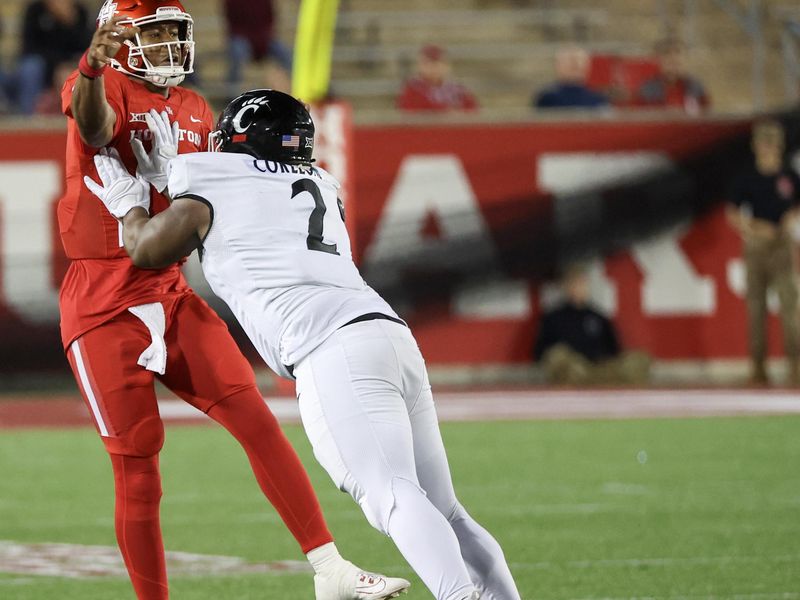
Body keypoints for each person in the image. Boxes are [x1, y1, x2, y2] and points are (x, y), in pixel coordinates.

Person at [84, 89, 522, 600]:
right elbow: (254, 214)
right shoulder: (322, 182)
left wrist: (131, 206)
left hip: (330, 347)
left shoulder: (210, 179)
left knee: (388, 495)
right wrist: (173, 176)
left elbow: (146, 249)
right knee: (445, 507)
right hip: (389, 335)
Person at [58, 2, 408, 599]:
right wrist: (91, 69)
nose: (169, 44)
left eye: (175, 32)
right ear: (117, 41)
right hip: (102, 303)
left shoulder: (195, 107)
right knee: (138, 466)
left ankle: (331, 569)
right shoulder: (98, 83)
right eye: (155, 33)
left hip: (169, 291)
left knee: (256, 419)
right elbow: (92, 129)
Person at [727, 119, 800, 386]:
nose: (767, 148)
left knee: (790, 310)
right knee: (755, 311)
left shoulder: (788, 175)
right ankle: (758, 368)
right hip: (757, 246)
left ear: (779, 146)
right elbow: (733, 213)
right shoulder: (747, 176)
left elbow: (796, 205)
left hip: (782, 246)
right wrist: (754, 227)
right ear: (755, 146)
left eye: (771, 143)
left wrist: (791, 218)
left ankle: (796, 366)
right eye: (762, 143)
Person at [533, 265, 650, 385]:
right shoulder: (553, 318)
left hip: (599, 368)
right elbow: (540, 352)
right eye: (573, 283)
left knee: (638, 359)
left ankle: (607, 385)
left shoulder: (599, 317)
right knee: (558, 356)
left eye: (581, 283)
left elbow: (615, 350)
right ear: (565, 286)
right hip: (572, 371)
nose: (577, 288)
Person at [17, 0, 92, 114]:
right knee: (30, 68)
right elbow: (29, 48)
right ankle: (28, 118)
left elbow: (84, 47)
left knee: (88, 68)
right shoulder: (35, 10)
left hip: (69, 63)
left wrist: (69, 22)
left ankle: (80, 119)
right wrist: (56, 66)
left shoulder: (79, 11)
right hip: (45, 65)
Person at [223, 0, 292, 96]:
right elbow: (233, 25)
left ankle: (297, 87)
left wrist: (264, 38)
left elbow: (270, 19)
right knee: (237, 52)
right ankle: (231, 93)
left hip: (264, 38)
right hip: (243, 38)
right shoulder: (232, 2)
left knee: (286, 54)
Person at [636, 37, 709, 115]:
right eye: (667, 53)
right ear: (657, 60)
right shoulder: (647, 90)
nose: (673, 58)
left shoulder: (696, 87)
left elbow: (706, 116)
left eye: (678, 52)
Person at [396, 44, 478, 112]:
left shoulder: (457, 89)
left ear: (447, 66)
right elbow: (414, 115)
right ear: (420, 66)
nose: (432, 67)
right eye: (427, 63)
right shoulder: (412, 88)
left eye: (437, 63)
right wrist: (447, 113)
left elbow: (473, 110)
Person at [533, 45, 609, 109]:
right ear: (558, 65)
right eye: (571, 60)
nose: (576, 64)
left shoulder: (598, 99)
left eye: (580, 60)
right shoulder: (547, 98)